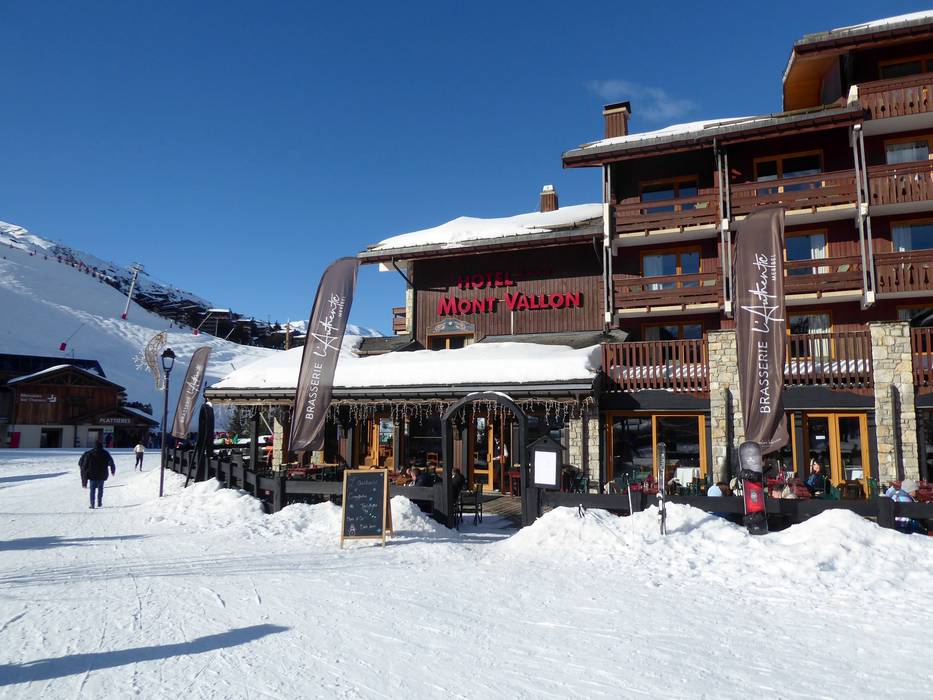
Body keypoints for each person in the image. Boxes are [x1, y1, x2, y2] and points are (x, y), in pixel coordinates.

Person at [79, 441, 116, 509]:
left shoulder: (89, 453)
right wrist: (112, 471)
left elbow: (84, 466)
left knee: (92, 490)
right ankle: (99, 502)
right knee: (100, 489)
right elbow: (111, 462)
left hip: (92, 475)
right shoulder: (105, 453)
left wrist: (84, 481)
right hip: (102, 475)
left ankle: (92, 504)